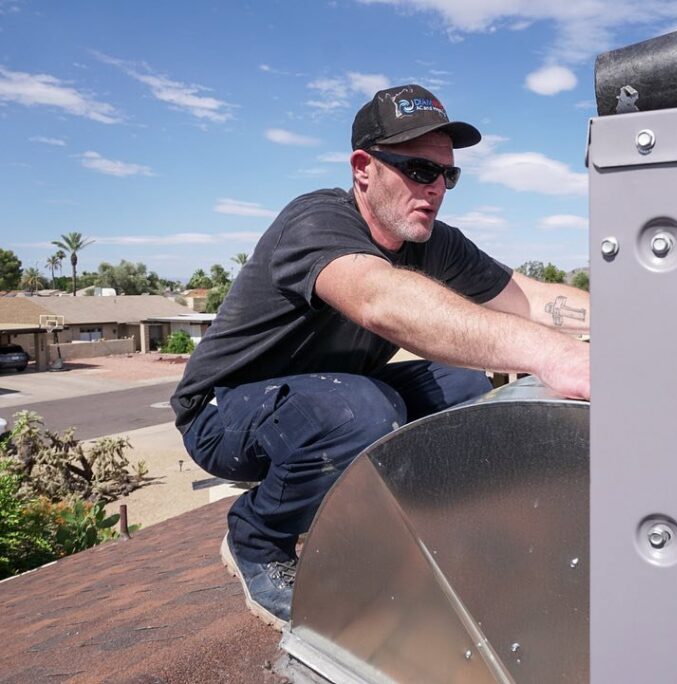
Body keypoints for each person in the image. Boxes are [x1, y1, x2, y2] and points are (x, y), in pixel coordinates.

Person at [171, 84, 590, 630]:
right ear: (363, 168)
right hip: (222, 415)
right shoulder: (316, 222)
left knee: (464, 389)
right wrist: (552, 354)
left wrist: (644, 323)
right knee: (363, 411)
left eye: (448, 174)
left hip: (331, 397)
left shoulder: (433, 240)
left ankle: (403, 523)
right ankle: (256, 537)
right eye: (419, 169)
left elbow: (530, 297)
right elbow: (380, 299)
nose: (436, 188)